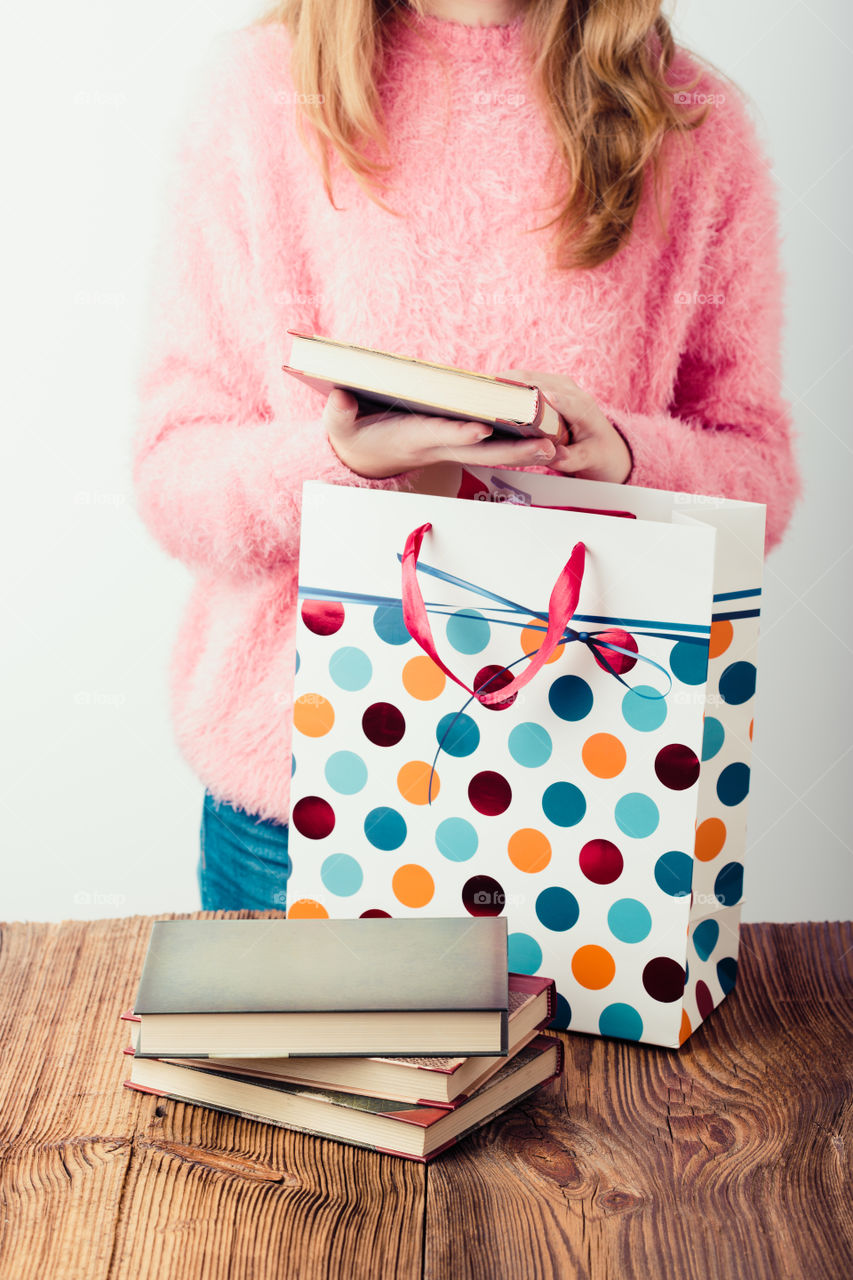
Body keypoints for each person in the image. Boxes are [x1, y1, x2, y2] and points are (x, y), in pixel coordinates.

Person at [131, 0, 802, 912]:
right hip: (289, 801)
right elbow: (175, 474)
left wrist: (627, 459)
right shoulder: (262, 92)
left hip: (586, 797)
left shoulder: (685, 116)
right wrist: (335, 460)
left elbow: (759, 478)